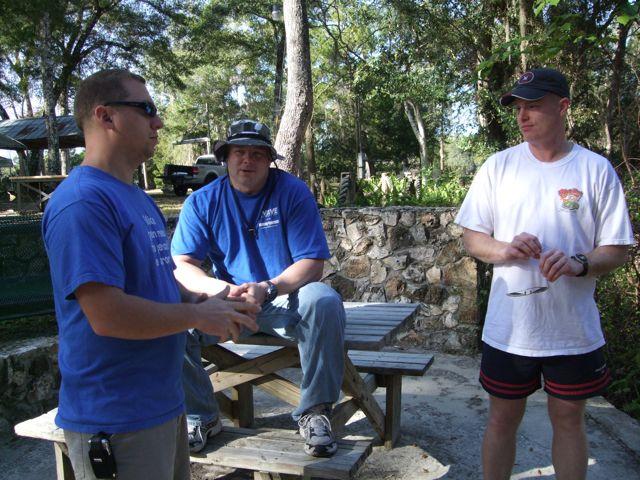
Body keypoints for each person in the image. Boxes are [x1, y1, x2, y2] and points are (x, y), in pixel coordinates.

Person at [42, 69, 259, 480]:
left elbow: (158, 279)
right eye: (146, 110)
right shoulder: (82, 203)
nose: (158, 121)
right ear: (106, 117)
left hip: (162, 406)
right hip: (116, 420)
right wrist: (198, 317)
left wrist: (206, 301)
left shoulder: (135, 198)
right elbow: (107, 315)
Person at [455, 68, 634, 480]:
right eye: (519, 107)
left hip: (571, 330)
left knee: (569, 420)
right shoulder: (498, 167)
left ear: (563, 106)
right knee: (501, 419)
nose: (523, 115)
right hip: (510, 328)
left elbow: (617, 249)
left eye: (533, 105)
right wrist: (505, 248)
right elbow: (472, 237)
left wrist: (579, 263)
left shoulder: (595, 170)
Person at [171, 119, 346, 458]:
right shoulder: (202, 202)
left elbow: (312, 263)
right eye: (239, 152)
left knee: (323, 300)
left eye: (256, 153)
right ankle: (201, 416)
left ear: (269, 159)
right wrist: (218, 290)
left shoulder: (293, 192)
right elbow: (183, 264)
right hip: (227, 302)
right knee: (171, 316)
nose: (246, 161)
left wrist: (268, 287)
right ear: (226, 158)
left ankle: (315, 411)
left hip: (282, 296)